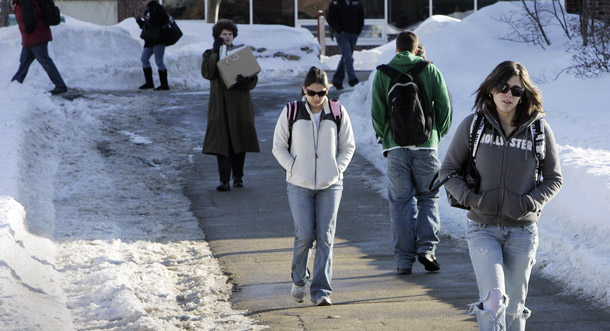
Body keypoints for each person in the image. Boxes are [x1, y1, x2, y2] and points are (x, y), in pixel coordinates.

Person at [439, 61, 562, 330]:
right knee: (494, 301)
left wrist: (528, 203)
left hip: (522, 231)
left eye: (516, 90)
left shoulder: (538, 131)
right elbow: (447, 171)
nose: (508, 95)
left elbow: (554, 179)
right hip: (483, 229)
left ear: (524, 94)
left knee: (515, 307)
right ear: (492, 89)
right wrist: (473, 200)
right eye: (503, 88)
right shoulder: (473, 126)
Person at [272, 67, 355, 306]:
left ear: (328, 90)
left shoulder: (337, 111)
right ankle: (299, 279)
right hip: (299, 184)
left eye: (321, 93)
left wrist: (337, 169)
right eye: (311, 93)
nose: (316, 98)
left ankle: (321, 291)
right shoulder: (292, 111)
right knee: (305, 236)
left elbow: (348, 145)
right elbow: (278, 146)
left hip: (331, 184)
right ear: (303, 90)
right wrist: (292, 167)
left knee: (326, 237)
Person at [371, 30, 452, 275]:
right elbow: (444, 105)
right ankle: (427, 248)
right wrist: (437, 133)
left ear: (396, 50)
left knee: (400, 203)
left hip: (395, 148)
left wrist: (386, 136)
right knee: (428, 198)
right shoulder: (429, 69)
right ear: (417, 50)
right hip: (426, 146)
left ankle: (404, 260)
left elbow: (377, 112)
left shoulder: (383, 73)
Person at [201, 19, 260, 192]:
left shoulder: (240, 52)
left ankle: (238, 177)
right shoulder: (209, 54)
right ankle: (224, 180)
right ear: (217, 36)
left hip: (239, 104)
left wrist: (246, 80)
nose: (227, 37)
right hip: (219, 105)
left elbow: (253, 77)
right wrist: (214, 52)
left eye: (230, 34)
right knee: (222, 142)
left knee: (239, 139)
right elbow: (208, 73)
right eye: (223, 34)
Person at [11, 0, 67, 94]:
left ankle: (60, 86)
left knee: (44, 60)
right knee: (24, 60)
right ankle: (16, 82)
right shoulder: (21, 3)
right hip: (32, 36)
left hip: (36, 36)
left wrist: (27, 30)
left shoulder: (26, 2)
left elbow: (29, 20)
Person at [326, 0, 364, 90]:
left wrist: (357, 31)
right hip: (342, 35)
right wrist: (339, 30)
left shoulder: (357, 3)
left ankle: (337, 80)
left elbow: (361, 18)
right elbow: (329, 18)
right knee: (348, 57)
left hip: (353, 34)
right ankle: (353, 79)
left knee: (345, 57)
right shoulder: (336, 3)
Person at [135, 0, 170, 90]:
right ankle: (149, 83)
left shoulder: (158, 8)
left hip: (159, 39)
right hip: (149, 40)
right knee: (144, 59)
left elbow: (162, 21)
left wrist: (150, 20)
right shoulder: (148, 11)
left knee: (159, 61)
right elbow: (146, 26)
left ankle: (164, 84)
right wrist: (139, 20)